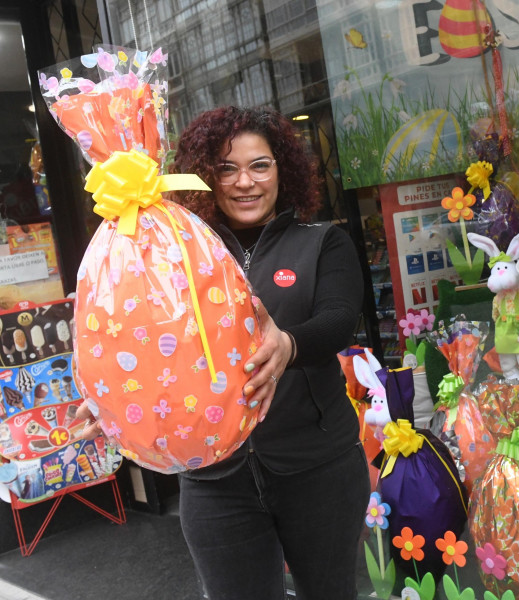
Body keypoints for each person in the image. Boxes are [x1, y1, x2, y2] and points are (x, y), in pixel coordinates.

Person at [75, 106, 369, 599]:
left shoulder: (322, 243)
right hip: (214, 478)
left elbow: (339, 319)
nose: (244, 182)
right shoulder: (172, 254)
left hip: (316, 465)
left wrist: (289, 345)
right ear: (205, 177)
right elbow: (145, 345)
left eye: (260, 165)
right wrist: (117, 400)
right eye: (227, 168)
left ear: (283, 169)